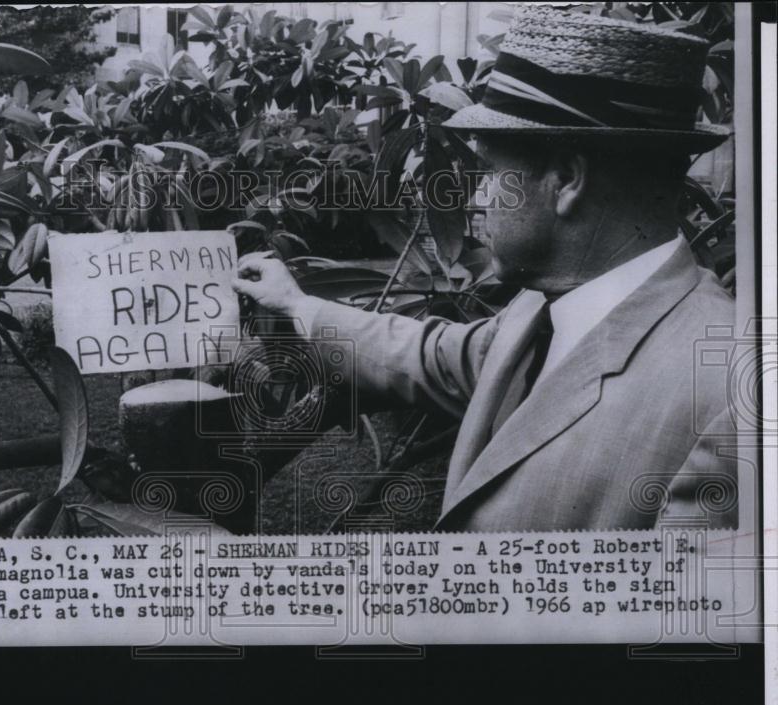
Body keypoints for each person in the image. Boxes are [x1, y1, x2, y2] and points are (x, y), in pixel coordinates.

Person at [232, 5, 739, 532]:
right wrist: (297, 304)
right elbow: (432, 356)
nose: (475, 198)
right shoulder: (539, 313)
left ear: (565, 180)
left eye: (491, 172)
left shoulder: (729, 390)